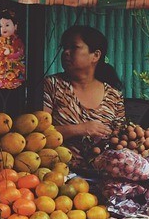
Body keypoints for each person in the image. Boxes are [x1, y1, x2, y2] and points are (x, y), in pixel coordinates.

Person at [43, 26, 125, 161]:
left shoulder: (114, 96)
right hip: (59, 172)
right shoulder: (52, 85)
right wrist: (79, 129)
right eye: (65, 47)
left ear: (96, 55)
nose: (66, 52)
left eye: (74, 47)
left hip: (102, 173)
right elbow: (38, 134)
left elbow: (121, 138)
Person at [0, 8, 27, 91]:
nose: (4, 28)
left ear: (15, 26)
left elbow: (20, 53)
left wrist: (11, 53)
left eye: (7, 25)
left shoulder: (18, 42)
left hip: (14, 72)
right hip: (1, 72)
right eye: (1, 26)